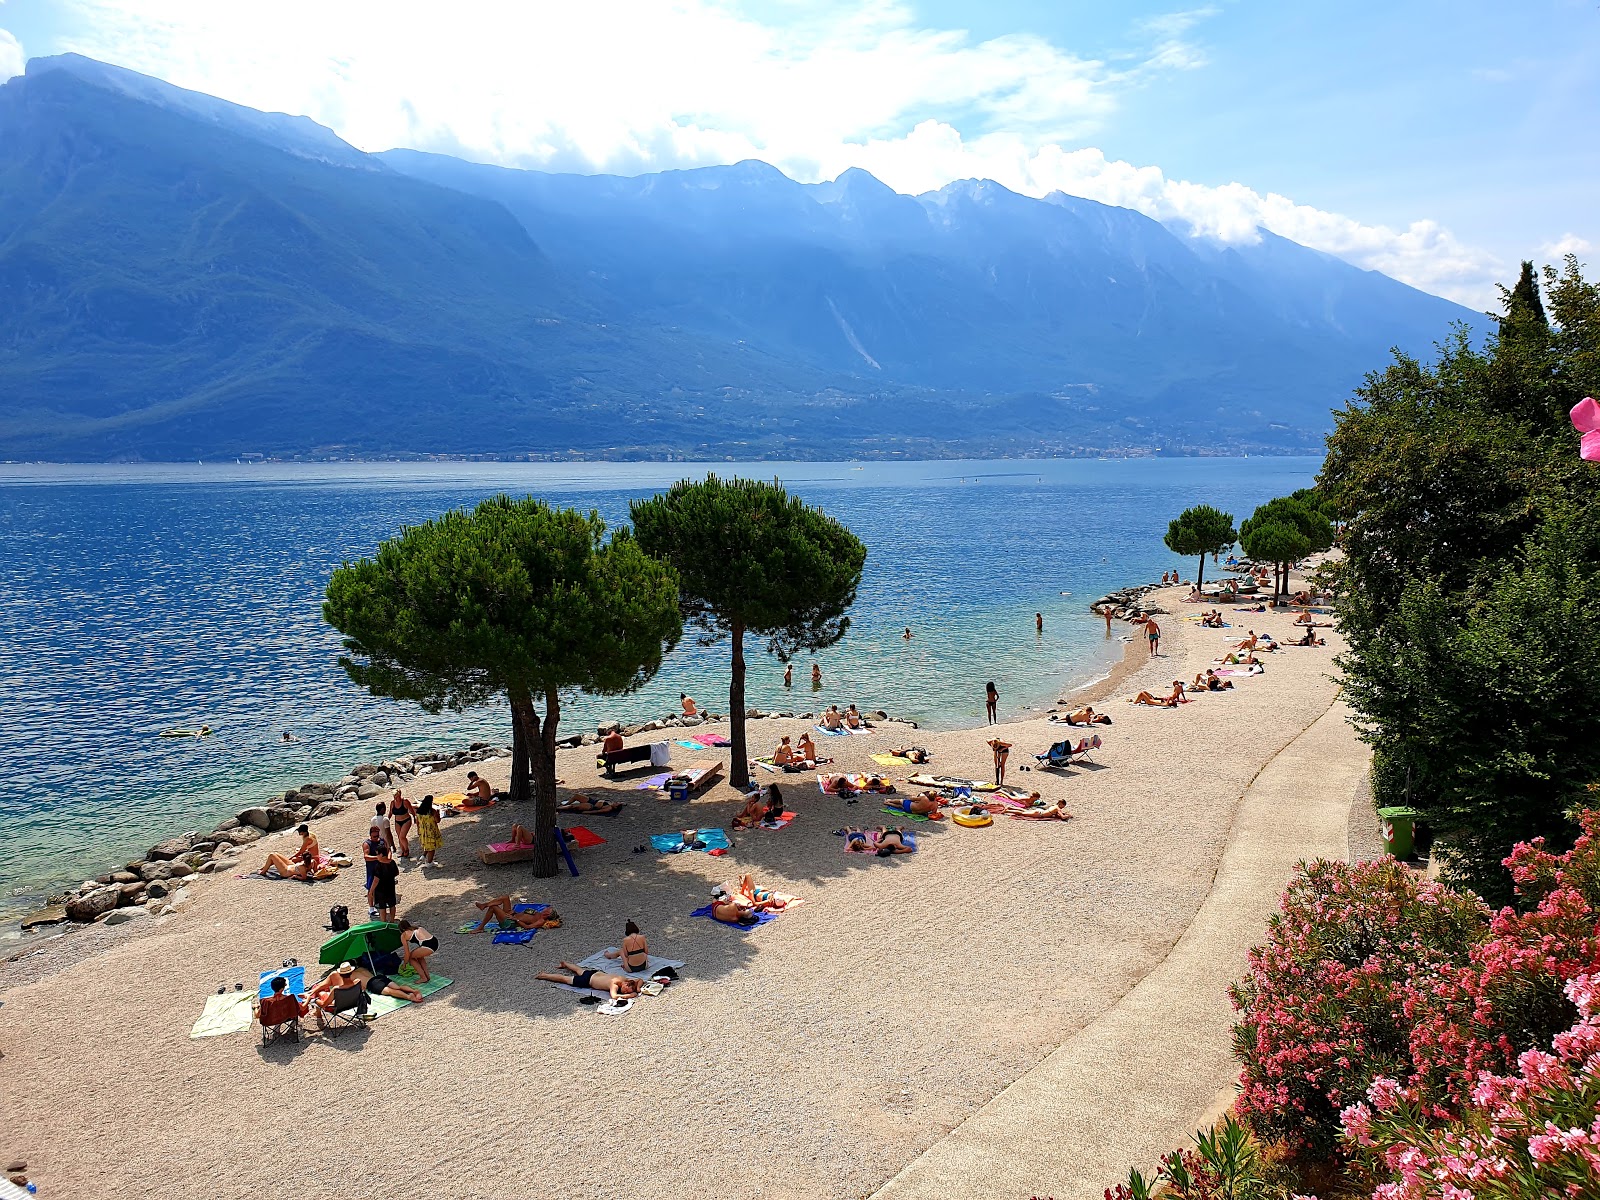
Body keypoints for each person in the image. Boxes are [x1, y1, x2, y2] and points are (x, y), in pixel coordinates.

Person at [467, 896, 562, 933]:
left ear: (547, 914)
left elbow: (527, 927)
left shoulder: (540, 921)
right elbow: (525, 916)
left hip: (510, 922)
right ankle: (484, 905)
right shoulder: (539, 913)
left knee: (494, 907)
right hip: (512, 915)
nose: (545, 908)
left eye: (547, 909)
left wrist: (516, 919)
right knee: (505, 897)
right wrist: (515, 914)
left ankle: (480, 927)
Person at [397, 919, 438, 984]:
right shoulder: (418, 928)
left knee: (411, 957)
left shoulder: (404, 935)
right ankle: (427, 976)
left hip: (428, 946)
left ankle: (423, 977)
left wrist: (404, 964)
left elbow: (407, 953)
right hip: (435, 942)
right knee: (419, 957)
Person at [368, 843, 400, 923]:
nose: (377, 856)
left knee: (382, 906)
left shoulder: (378, 866)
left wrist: (371, 891)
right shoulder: (392, 862)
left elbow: (376, 880)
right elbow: (397, 873)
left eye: (377, 854)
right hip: (390, 886)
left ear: (381, 854)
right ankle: (392, 920)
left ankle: (383, 921)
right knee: (392, 904)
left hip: (380, 889)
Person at [416, 795, 442, 867]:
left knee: (427, 844)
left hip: (423, 831)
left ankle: (424, 855)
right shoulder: (432, 811)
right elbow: (438, 820)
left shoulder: (419, 811)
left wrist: (418, 830)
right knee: (432, 848)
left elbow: (417, 822)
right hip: (431, 831)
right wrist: (438, 813)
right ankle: (429, 862)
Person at [362, 823, 387, 896]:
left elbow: (388, 850)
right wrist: (377, 858)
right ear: (370, 835)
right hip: (372, 868)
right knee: (371, 888)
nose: (376, 838)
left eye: (377, 836)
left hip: (383, 867)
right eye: (374, 836)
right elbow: (366, 856)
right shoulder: (367, 844)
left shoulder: (382, 841)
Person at [389, 790, 414, 860]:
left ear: (400, 795)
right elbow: (390, 812)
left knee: (402, 837)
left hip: (406, 820)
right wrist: (387, 819)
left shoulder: (405, 801)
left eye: (397, 796)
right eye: (394, 796)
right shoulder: (392, 803)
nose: (396, 798)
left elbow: (411, 810)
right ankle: (403, 851)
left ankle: (406, 850)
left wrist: (414, 817)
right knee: (399, 837)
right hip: (397, 821)